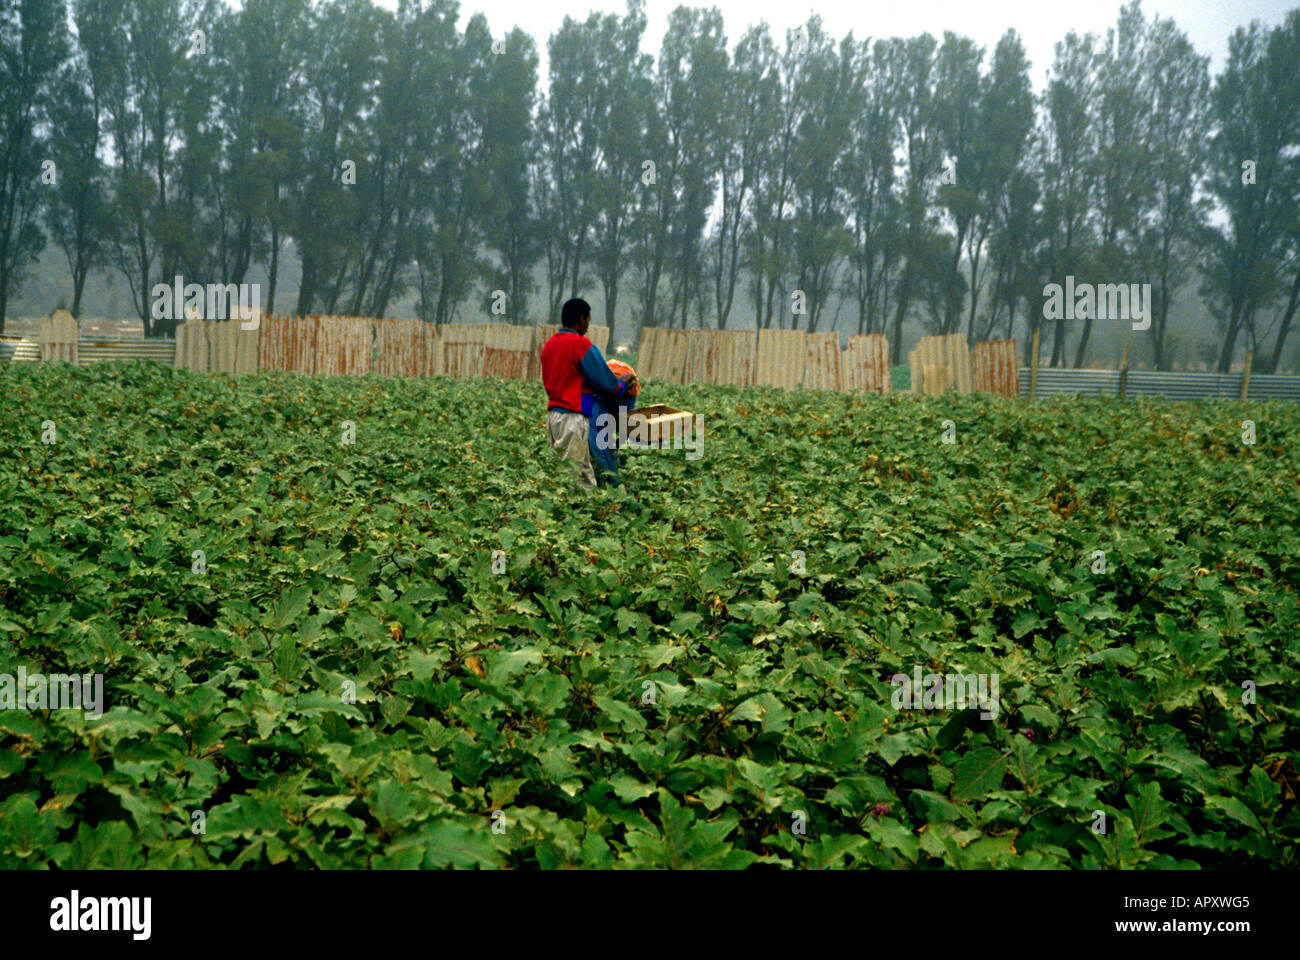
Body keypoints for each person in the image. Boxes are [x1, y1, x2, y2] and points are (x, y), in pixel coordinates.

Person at [540, 298, 635, 491]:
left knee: (563, 474)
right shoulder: (580, 345)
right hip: (572, 419)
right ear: (581, 319)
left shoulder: (550, 345)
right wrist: (622, 386)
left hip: (553, 418)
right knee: (580, 480)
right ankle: (584, 516)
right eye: (588, 321)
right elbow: (604, 381)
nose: (588, 326)